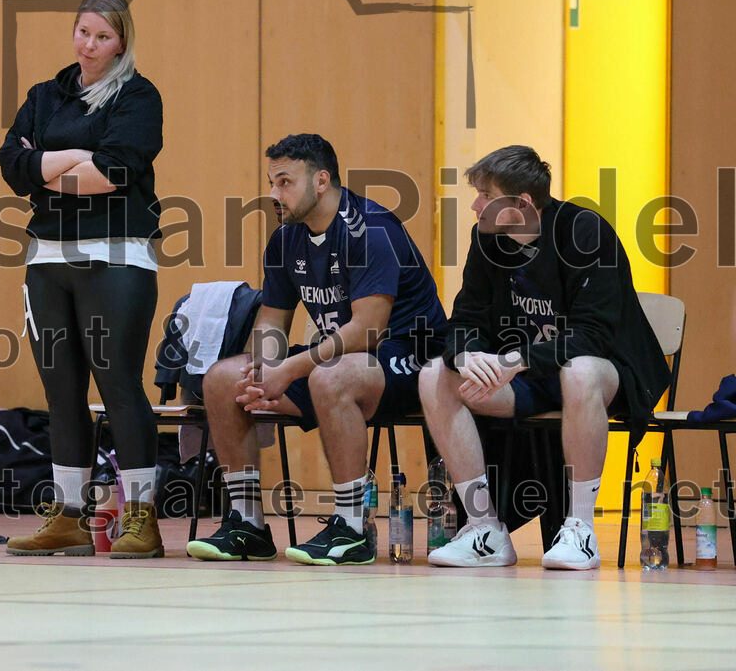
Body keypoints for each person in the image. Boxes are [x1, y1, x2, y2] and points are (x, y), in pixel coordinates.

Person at [186, 134, 447, 565]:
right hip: (340, 357)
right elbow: (272, 321)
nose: (274, 194)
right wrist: (262, 370)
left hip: (410, 355)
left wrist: (287, 370)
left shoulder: (372, 229)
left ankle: (352, 528)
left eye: (285, 182)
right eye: (271, 182)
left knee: (330, 376)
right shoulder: (286, 239)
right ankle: (247, 524)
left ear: (321, 181)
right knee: (222, 379)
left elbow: (367, 331)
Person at [419, 145, 672, 569]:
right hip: (528, 376)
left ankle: (580, 530)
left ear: (521, 203)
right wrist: (464, 355)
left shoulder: (584, 232)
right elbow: (466, 316)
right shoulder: (486, 239)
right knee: (434, 375)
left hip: (607, 372)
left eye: (485, 195)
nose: (476, 205)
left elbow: (592, 336)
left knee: (579, 372)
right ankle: (485, 530)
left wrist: (513, 361)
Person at [0, 0, 164, 559]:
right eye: (83, 32)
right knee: (60, 387)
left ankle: (141, 518)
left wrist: (44, 167)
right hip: (46, 257)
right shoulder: (44, 96)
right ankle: (68, 516)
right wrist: (74, 161)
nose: (90, 45)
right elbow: (10, 164)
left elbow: (116, 170)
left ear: (121, 42)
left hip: (117, 254)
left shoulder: (137, 96)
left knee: (118, 382)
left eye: (103, 36)